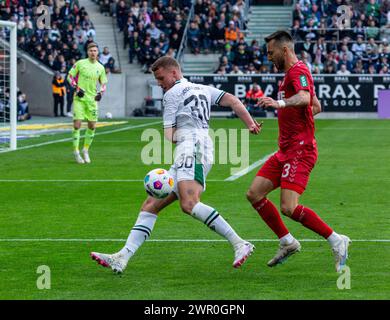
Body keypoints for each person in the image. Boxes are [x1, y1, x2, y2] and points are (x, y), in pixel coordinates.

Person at [90, 56, 262, 274]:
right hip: (195, 147)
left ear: (174, 72)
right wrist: (250, 125)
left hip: (193, 149)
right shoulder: (202, 88)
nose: (160, 83)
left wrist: (189, 133)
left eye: (161, 78)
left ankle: (240, 243)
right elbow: (234, 102)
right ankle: (122, 257)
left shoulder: (171, 95)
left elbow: (170, 135)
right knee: (150, 206)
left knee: (189, 204)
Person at [248, 30, 350, 273]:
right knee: (254, 194)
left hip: (300, 151)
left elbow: (305, 98)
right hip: (286, 149)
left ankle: (337, 240)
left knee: (289, 207)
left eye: (270, 53)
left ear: (285, 50)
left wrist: (280, 104)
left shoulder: (298, 71)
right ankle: (287, 242)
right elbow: (316, 106)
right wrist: (292, 118)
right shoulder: (287, 75)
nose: (268, 57)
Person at [67, 42, 108, 164]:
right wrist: (76, 88)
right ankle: (76, 152)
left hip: (92, 100)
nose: (93, 53)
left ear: (97, 52)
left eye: (95, 51)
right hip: (79, 99)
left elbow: (103, 83)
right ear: (87, 52)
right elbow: (69, 76)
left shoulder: (100, 68)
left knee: (92, 126)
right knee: (77, 125)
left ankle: (85, 150)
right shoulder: (80, 63)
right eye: (91, 51)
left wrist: (101, 93)